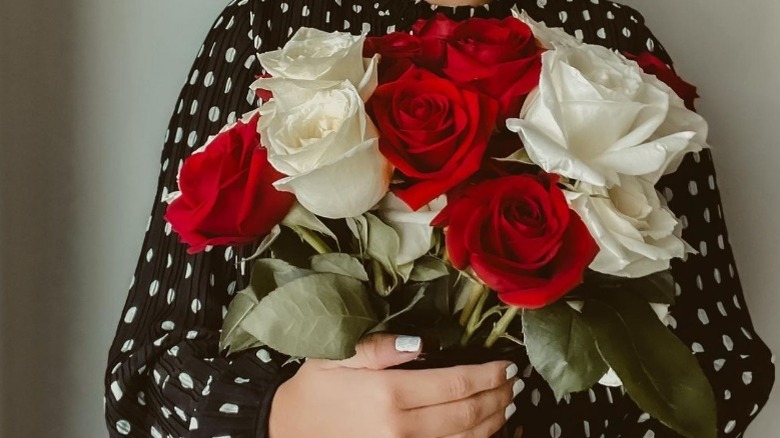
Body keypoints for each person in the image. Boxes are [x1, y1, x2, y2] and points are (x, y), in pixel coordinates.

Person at [104, 0, 775, 436]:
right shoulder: (272, 31)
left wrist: (524, 413)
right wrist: (280, 418)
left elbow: (722, 365)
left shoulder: (608, 47)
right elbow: (144, 381)